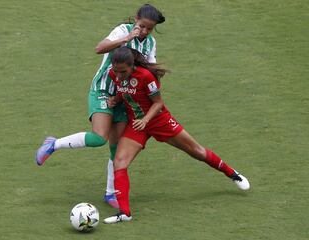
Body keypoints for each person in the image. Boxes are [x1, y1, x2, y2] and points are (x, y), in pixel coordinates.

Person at [35, 4, 166, 209]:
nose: (145, 31)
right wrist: (127, 39)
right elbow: (99, 48)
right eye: (142, 26)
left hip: (124, 95)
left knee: (116, 147)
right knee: (98, 138)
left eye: (150, 28)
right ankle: (53, 144)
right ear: (135, 19)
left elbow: (148, 70)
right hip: (103, 90)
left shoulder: (151, 43)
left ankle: (110, 192)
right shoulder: (123, 30)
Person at [102, 46, 250, 224]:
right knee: (120, 162)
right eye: (116, 72)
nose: (118, 76)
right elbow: (124, 91)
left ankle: (232, 173)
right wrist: (115, 99)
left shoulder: (146, 76)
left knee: (197, 151)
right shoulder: (114, 74)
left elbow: (158, 103)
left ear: (132, 65)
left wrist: (145, 120)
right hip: (137, 125)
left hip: (158, 121)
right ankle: (125, 213)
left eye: (122, 72)